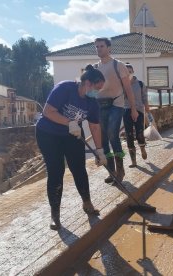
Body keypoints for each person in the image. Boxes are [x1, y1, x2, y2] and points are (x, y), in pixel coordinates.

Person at [36, 64, 107, 230]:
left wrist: (100, 151)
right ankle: (55, 215)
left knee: (79, 169)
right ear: (87, 83)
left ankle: (87, 203)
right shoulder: (65, 88)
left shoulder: (92, 103)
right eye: (97, 88)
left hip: (72, 135)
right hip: (49, 134)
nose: (97, 92)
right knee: (56, 172)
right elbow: (48, 111)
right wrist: (69, 122)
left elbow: (95, 127)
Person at [94, 37, 139, 183]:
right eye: (97, 47)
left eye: (101, 46)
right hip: (100, 106)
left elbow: (128, 89)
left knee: (113, 134)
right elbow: (92, 91)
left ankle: (120, 171)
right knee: (103, 139)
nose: (99, 49)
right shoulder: (95, 68)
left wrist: (133, 109)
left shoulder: (118, 65)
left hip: (116, 105)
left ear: (109, 48)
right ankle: (111, 171)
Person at [123, 63, 150, 167]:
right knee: (129, 135)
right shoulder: (123, 85)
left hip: (139, 111)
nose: (128, 74)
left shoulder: (140, 84)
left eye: (130, 72)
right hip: (126, 111)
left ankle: (142, 148)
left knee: (139, 133)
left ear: (133, 72)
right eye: (126, 72)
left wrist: (147, 109)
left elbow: (144, 97)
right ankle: (133, 161)